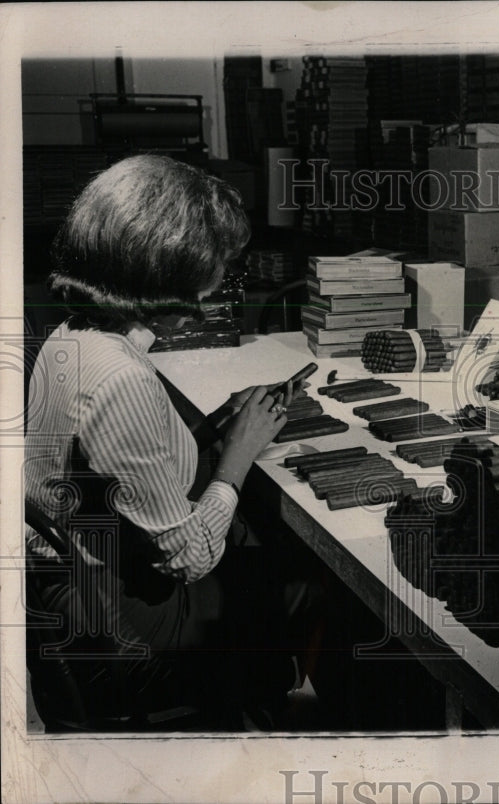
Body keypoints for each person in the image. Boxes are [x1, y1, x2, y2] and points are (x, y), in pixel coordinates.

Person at [24, 155, 311, 727]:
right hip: (123, 615)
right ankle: (279, 717)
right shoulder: (121, 376)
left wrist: (211, 428)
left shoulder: (70, 334)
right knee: (303, 577)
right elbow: (190, 560)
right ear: (157, 269)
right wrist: (235, 461)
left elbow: (113, 464)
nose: (213, 294)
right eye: (208, 275)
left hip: (65, 581)